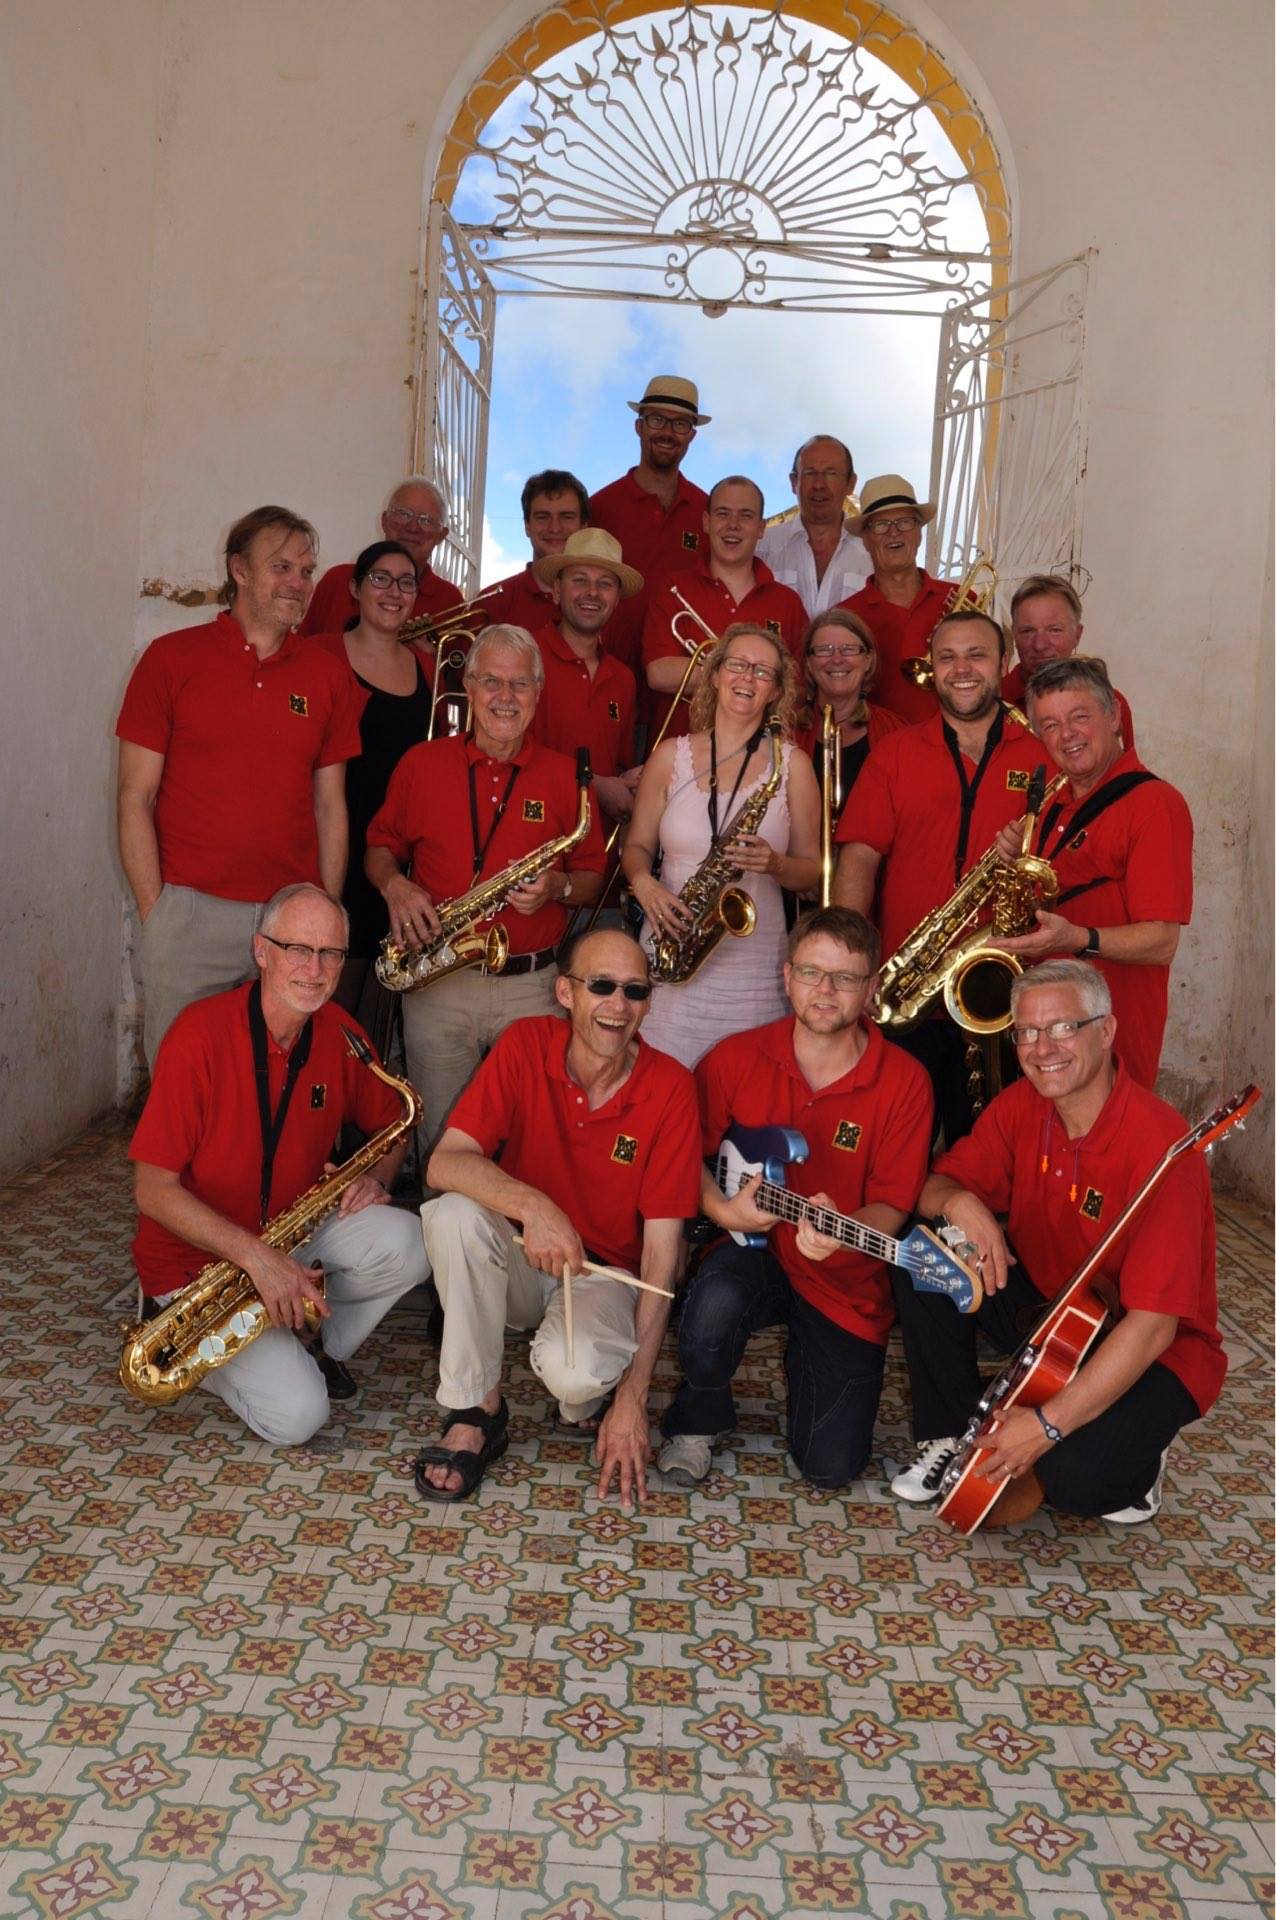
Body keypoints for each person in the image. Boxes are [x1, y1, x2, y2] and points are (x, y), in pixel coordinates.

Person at [890, 961, 1224, 1523]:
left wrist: (1045, 1427)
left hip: (1151, 1348)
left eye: (1064, 1028)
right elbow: (932, 1188)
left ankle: (1142, 1453)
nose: (1043, 1049)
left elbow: (1153, 1327)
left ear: (1106, 1030)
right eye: (1027, 1032)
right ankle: (949, 1431)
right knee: (924, 1247)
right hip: (1053, 1316)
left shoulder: (1164, 1147)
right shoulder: (1023, 1104)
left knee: (1076, 1482)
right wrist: (959, 1202)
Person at [128, 884, 429, 1445]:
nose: (314, 970)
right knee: (298, 1418)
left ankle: (309, 1341)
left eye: (330, 953)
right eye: (297, 949)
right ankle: (194, 1340)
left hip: (291, 1235)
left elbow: (398, 1124)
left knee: (409, 1242)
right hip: (199, 1266)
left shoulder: (341, 1034)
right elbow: (152, 1190)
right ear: (261, 951)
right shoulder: (198, 1035)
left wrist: (377, 1177)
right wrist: (257, 1260)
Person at [416, 929, 701, 1504]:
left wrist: (634, 1399)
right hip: (525, 1256)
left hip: (603, 1275)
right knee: (452, 1215)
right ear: (565, 992)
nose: (619, 1006)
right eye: (602, 986)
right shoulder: (525, 1043)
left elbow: (661, 1259)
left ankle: (591, 1391)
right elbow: (444, 1163)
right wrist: (535, 1207)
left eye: (636, 991)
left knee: (575, 1378)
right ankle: (475, 1411)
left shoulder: (672, 1086)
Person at [658, 908, 932, 1487]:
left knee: (831, 1468)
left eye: (845, 978)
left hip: (843, 1279)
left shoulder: (906, 1080)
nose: (825, 990)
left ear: (871, 988)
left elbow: (892, 1205)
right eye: (811, 972)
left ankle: (809, 1359)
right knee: (710, 1312)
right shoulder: (735, 1057)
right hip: (751, 1250)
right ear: (786, 977)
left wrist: (842, 1234)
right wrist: (721, 1209)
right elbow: (683, 1157)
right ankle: (699, 1416)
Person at [117, 505, 362, 1066]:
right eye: (281, 567)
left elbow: (330, 807)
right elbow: (135, 796)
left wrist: (324, 912)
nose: (298, 583)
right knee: (183, 1082)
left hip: (290, 921)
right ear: (240, 570)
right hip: (189, 917)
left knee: (276, 1082)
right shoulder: (170, 659)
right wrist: (157, 912)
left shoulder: (328, 676)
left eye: (307, 571)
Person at [364, 624, 605, 1153]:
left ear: (538, 693)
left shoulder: (567, 777)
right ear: (468, 687)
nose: (505, 697)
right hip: (439, 982)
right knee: (442, 1142)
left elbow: (593, 879)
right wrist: (396, 887)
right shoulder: (422, 763)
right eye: (492, 681)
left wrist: (559, 886)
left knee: (534, 1144)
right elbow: (379, 847)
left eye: (520, 684)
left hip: (533, 987)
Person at [833, 608, 1046, 1142]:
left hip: (1006, 995)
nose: (962, 669)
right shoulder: (895, 753)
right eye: (947, 657)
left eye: (977, 655)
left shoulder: (1043, 755)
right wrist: (852, 962)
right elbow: (859, 859)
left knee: (993, 1149)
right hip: (910, 992)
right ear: (932, 667)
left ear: (1003, 662)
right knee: (899, 1146)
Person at [622, 623, 821, 1070]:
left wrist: (775, 864)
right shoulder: (669, 756)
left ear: (776, 691)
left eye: (763, 671)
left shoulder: (793, 766)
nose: (748, 677)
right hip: (670, 955)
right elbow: (636, 845)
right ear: (714, 675)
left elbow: (813, 870)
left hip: (754, 974)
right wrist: (644, 885)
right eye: (737, 664)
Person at [989, 654, 1191, 1089]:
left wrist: (1078, 939)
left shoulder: (1155, 804)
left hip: (1110, 1040)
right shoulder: (1048, 808)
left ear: (1114, 716)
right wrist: (1013, 867)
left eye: (1079, 717)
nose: (1066, 735)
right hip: (1044, 1034)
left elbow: (1162, 941)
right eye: (1050, 724)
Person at [307, 542, 435, 1015]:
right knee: (326, 986)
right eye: (380, 579)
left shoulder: (428, 666)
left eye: (406, 582)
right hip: (329, 839)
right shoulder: (318, 654)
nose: (393, 592)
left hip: (394, 853)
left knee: (382, 996)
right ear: (355, 588)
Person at [641, 476, 807, 744]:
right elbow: (659, 673)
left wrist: (711, 670)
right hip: (680, 751)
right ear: (706, 522)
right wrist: (751, 675)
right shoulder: (672, 588)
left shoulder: (787, 602)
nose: (733, 525)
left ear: (761, 528)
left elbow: (796, 687)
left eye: (746, 516)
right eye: (723, 514)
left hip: (760, 755)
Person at [591, 375, 711, 679]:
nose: (668, 433)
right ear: (639, 426)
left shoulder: (708, 511)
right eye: (657, 420)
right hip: (610, 674)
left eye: (680, 424)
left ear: (692, 435)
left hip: (682, 682)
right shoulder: (600, 506)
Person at [528, 528, 643, 833]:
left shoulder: (624, 679)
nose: (592, 592)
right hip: (530, 836)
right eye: (579, 580)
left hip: (597, 846)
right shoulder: (523, 657)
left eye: (605, 584)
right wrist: (595, 785)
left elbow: (619, 766)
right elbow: (504, 755)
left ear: (616, 600)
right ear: (557, 589)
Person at [837, 474, 952, 724]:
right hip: (878, 744)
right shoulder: (844, 618)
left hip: (954, 744)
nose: (893, 532)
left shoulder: (959, 597)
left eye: (905, 522)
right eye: (881, 525)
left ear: (919, 533)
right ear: (865, 540)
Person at [298, 478, 464, 640]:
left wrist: (425, 656)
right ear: (384, 521)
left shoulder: (451, 600)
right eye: (404, 514)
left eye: (426, 520)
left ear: (442, 535)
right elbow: (301, 648)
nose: (413, 527)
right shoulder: (337, 580)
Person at [793, 608, 906, 825]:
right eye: (824, 650)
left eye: (849, 649)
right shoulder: (786, 734)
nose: (837, 659)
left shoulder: (896, 732)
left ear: (868, 660)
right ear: (809, 663)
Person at [1004, 574, 1135, 744]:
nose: (1040, 645)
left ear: (1077, 635)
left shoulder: (1109, 704)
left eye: (1055, 630)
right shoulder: (991, 703)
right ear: (1014, 636)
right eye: (1027, 631)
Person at [757, 435, 871, 616]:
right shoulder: (762, 548)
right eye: (810, 473)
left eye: (831, 473)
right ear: (794, 482)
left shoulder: (872, 552)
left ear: (851, 483)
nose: (819, 485)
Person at [484, 470, 590, 634]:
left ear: (584, 527)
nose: (555, 528)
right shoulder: (491, 604)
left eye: (567, 517)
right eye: (543, 517)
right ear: (527, 526)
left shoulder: (605, 605)